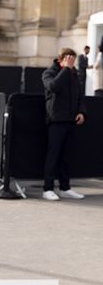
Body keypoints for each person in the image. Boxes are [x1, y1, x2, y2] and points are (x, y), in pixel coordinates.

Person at [41, 48, 87, 201]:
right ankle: (47, 188)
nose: (72, 64)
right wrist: (66, 69)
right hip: (56, 120)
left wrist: (81, 112)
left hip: (71, 120)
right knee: (53, 155)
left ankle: (65, 187)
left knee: (66, 156)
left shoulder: (74, 74)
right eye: (69, 61)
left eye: (73, 61)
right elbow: (53, 87)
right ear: (60, 60)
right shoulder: (49, 73)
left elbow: (80, 96)